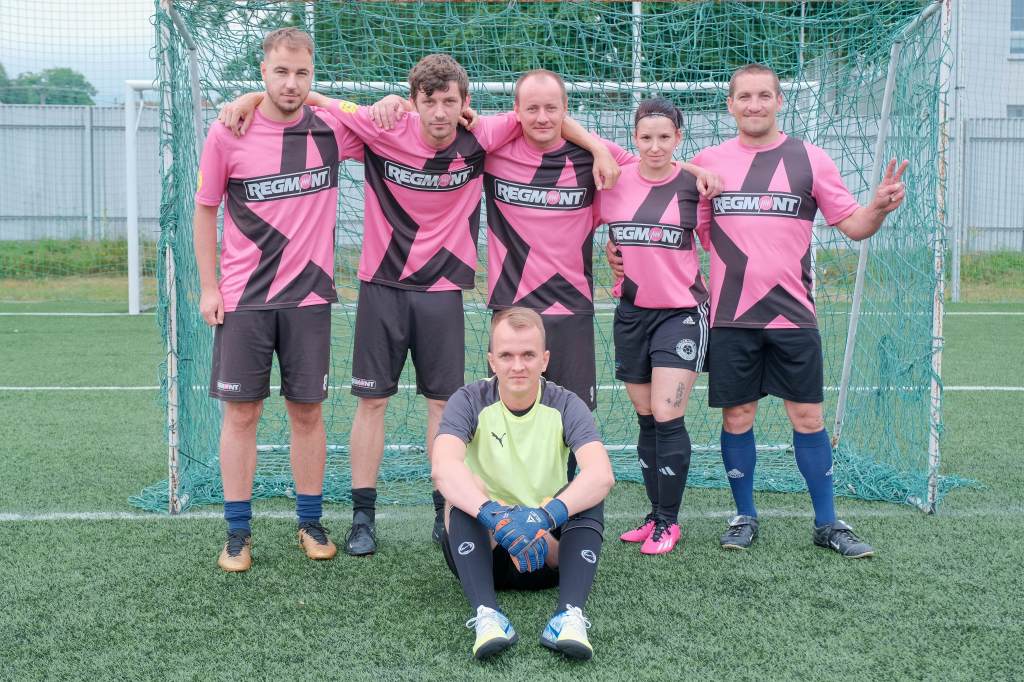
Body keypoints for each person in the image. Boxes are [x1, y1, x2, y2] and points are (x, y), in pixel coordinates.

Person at [218, 55, 621, 556]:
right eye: (429, 101)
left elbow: (546, 118)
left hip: (444, 292)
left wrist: (597, 147)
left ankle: (444, 511)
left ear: (465, 104)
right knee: (371, 402)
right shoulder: (382, 126)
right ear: (413, 102)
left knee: (442, 406)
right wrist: (251, 98)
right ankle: (362, 518)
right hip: (381, 287)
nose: (440, 112)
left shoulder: (483, 135)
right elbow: (309, 101)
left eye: (450, 101)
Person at [610, 64, 907, 557]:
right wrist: (616, 251)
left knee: (808, 416)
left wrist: (876, 206)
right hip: (730, 316)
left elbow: (854, 226)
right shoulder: (706, 166)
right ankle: (744, 516)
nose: (754, 105)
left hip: (793, 314)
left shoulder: (810, 159)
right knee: (738, 416)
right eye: (744, 96)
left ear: (779, 101)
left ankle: (828, 522)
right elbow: (665, 209)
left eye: (764, 95)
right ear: (730, 104)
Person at [194, 28, 363, 572]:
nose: (291, 83)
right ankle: (237, 532)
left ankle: (310, 522)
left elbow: (394, 120)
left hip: (309, 298)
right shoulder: (229, 131)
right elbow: (205, 209)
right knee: (241, 414)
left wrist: (316, 98)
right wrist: (208, 286)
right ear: (263, 71)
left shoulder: (332, 130)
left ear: (313, 76)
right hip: (245, 297)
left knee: (307, 413)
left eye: (302, 73)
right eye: (281, 72)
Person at [432, 307, 615, 660]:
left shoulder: (566, 404)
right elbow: (443, 467)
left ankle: (569, 616)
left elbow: (601, 473)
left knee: (589, 490)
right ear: (492, 361)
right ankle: (487, 616)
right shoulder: (468, 400)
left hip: (549, 553)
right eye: (507, 355)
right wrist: (497, 518)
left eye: (528, 355)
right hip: (486, 549)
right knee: (461, 489)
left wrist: (540, 519)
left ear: (544, 360)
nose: (518, 366)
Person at [594, 97, 709, 555]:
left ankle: (669, 522)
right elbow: (568, 128)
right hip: (632, 313)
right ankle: (655, 514)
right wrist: (611, 249)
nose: (655, 146)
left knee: (666, 412)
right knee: (645, 416)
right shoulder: (615, 181)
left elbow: (718, 243)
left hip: (680, 314)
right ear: (634, 138)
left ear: (678, 138)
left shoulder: (694, 186)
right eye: (646, 137)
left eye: (664, 137)